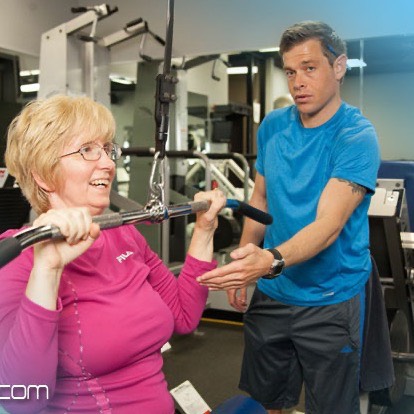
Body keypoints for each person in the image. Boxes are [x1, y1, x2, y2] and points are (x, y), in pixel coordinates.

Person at [197, 21, 381, 414]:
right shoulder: (273, 126)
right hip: (274, 291)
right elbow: (260, 198)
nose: (298, 82)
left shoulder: (355, 136)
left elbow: (328, 226)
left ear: (339, 67)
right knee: (267, 402)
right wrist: (244, 261)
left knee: (330, 408)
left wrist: (268, 260)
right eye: (291, 71)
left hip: (330, 296)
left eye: (310, 68)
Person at [0, 94, 226, 414]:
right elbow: (21, 399)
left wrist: (204, 229)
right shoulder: (17, 259)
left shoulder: (123, 235)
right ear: (43, 174)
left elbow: (184, 316)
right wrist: (48, 269)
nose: (108, 163)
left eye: (107, 149)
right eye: (87, 150)